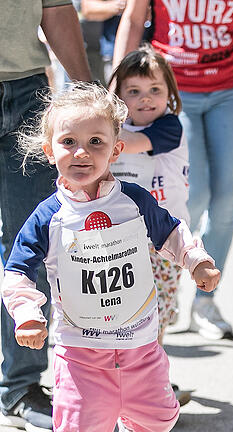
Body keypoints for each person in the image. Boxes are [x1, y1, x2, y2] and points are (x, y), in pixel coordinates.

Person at [3, 82, 220, 431]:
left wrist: (197, 262)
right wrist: (27, 314)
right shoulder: (48, 216)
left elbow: (171, 232)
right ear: (49, 150)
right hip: (80, 357)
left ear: (116, 149)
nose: (81, 153)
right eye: (68, 142)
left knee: (158, 422)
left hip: (141, 349)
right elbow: (17, 272)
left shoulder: (133, 200)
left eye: (95, 142)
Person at [114, 0, 233, 340]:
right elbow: (133, 20)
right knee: (196, 193)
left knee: (224, 204)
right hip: (171, 89)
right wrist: (113, 92)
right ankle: (168, 274)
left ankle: (205, 301)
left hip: (229, 90)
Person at [0, 2, 92, 430]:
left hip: (27, 93)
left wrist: (88, 90)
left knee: (31, 242)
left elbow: (54, 9)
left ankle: (21, 385)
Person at [107, 45, 193, 404]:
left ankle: (151, 383)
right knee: (119, 315)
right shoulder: (113, 128)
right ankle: (130, 384)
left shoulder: (168, 126)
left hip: (164, 240)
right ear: (118, 95)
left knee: (155, 318)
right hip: (119, 241)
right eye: (134, 91)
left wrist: (88, 137)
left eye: (155, 90)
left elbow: (129, 145)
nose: (145, 100)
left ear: (170, 95)